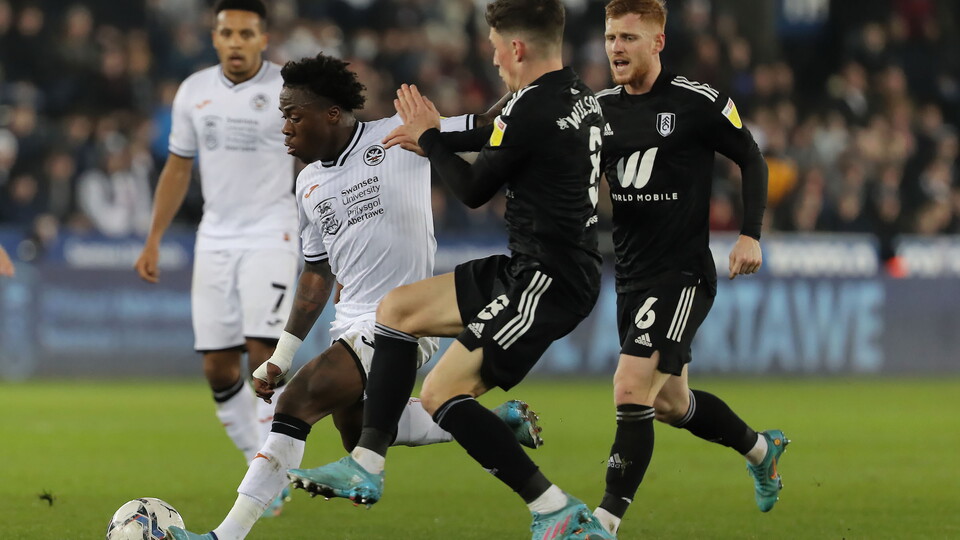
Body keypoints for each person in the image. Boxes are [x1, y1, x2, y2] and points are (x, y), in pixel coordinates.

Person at [167, 53, 543, 540]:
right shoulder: (307, 183)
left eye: (293, 115)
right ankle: (494, 423)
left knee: (295, 404)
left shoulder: (399, 135)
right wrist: (282, 356)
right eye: (282, 116)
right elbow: (316, 274)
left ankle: (224, 536)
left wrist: (538, 83)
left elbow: (487, 125)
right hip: (350, 322)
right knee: (357, 428)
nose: (284, 128)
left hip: (405, 319)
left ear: (331, 114)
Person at [287, 1, 614, 538]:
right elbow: (498, 138)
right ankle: (366, 463)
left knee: (442, 394)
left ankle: (553, 507)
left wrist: (430, 138)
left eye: (496, 48)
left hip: (546, 281)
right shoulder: (574, 95)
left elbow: (473, 189)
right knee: (397, 310)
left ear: (517, 48)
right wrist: (434, 130)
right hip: (530, 265)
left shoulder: (530, 107)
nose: (494, 59)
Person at [590, 0, 789, 535]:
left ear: (658, 42)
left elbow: (751, 157)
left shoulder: (697, 101)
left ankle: (603, 522)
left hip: (681, 275)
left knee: (630, 387)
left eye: (628, 37)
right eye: (610, 37)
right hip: (631, 277)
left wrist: (750, 233)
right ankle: (761, 450)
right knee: (671, 403)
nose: (615, 48)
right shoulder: (598, 109)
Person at [134, 0, 298, 514]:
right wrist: (154, 237)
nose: (235, 42)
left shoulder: (288, 89)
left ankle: (271, 469)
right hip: (215, 238)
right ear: (214, 38)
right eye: (227, 33)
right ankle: (257, 461)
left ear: (263, 38)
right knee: (218, 369)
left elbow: (316, 160)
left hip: (273, 231)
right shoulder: (194, 91)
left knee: (263, 355)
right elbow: (178, 168)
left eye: (246, 33)